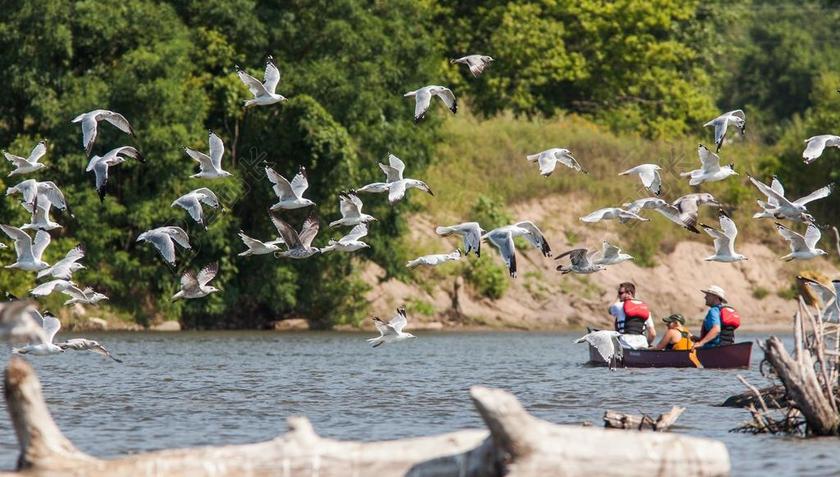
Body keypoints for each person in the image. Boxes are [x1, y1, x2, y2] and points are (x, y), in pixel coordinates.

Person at [608, 282, 656, 348]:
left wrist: (618, 299)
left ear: (629, 293)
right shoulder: (645, 308)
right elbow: (653, 334)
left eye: (620, 293)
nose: (619, 295)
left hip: (626, 344)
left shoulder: (618, 306)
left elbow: (610, 311)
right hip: (642, 344)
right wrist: (647, 344)